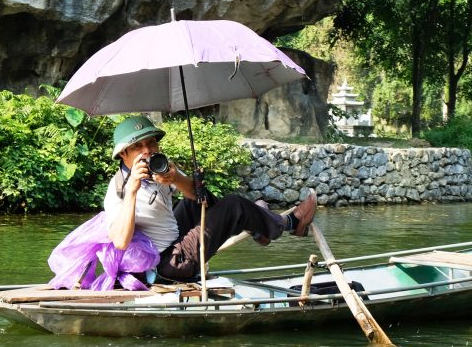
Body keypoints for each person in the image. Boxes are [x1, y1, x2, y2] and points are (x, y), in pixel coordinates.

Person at [104, 115, 316, 282]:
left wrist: (175, 178)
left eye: (151, 143)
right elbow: (121, 242)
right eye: (137, 147)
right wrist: (132, 190)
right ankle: (290, 224)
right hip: (166, 265)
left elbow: (201, 199)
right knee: (234, 205)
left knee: (195, 200)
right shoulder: (118, 189)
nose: (147, 151)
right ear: (123, 154)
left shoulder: (158, 166)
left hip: (174, 241)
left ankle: (258, 226)